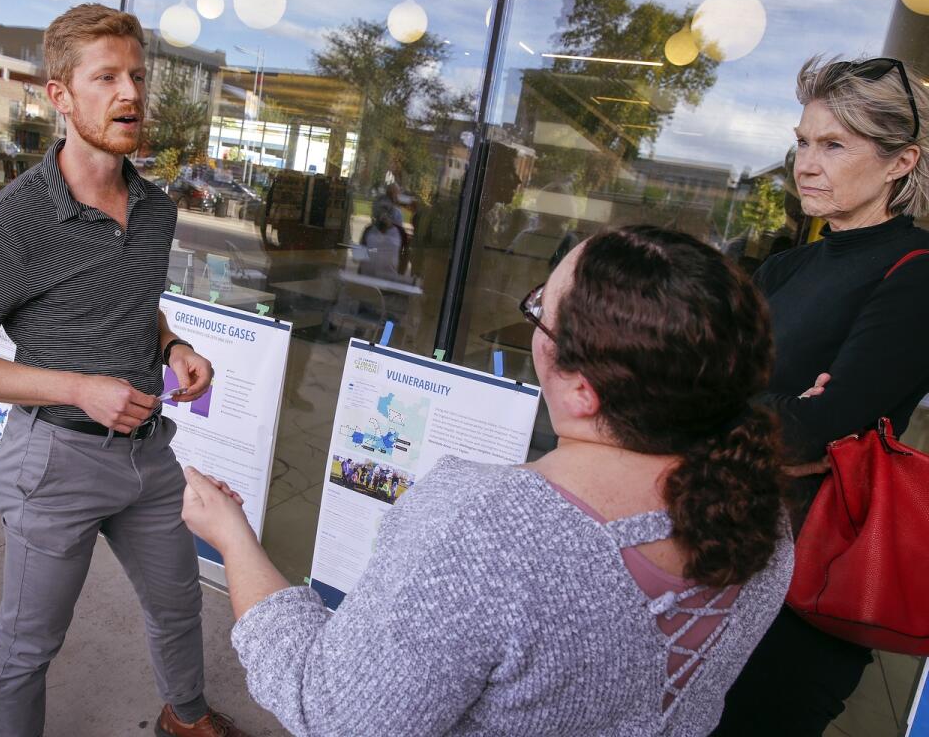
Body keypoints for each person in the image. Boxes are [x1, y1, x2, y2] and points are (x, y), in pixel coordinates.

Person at [181, 225, 795, 736]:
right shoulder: (760, 510)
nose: (532, 326)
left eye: (539, 311)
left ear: (583, 388)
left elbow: (333, 711)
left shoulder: (482, 524)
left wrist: (233, 539)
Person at [0, 4, 249, 737]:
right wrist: (78, 388)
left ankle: (186, 715)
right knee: (30, 641)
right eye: (105, 77)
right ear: (61, 95)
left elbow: (138, 307)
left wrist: (173, 349)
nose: (129, 93)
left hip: (148, 454)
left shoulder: (157, 209)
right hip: (56, 460)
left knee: (177, 601)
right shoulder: (13, 223)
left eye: (136, 75)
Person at [713, 56, 929, 736]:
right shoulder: (786, 265)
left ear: (901, 163)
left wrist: (751, 409)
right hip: (721, 548)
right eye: (803, 142)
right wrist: (777, 406)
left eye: (834, 144)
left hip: (807, 588)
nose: (807, 162)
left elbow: (813, 431)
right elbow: (696, 393)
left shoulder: (916, 275)